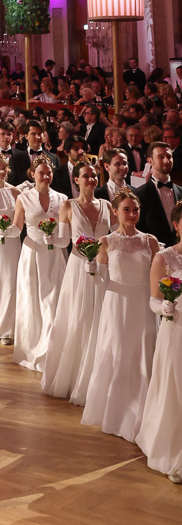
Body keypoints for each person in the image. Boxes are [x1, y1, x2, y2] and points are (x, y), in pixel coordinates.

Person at [81, 190, 159, 444]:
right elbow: (102, 282)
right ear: (115, 212)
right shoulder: (106, 241)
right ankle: (117, 414)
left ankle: (142, 415)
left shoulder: (150, 241)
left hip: (143, 303)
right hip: (117, 304)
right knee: (119, 354)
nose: (132, 214)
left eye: (135, 210)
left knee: (142, 354)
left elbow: (157, 276)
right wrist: (92, 271)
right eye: (126, 210)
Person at [41, 163, 112, 403]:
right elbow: (63, 241)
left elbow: (114, 238)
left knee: (100, 318)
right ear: (76, 179)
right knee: (78, 317)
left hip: (102, 268)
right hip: (78, 268)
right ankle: (75, 377)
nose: (91, 179)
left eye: (94, 175)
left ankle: (98, 378)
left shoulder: (107, 206)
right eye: (86, 176)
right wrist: (49, 237)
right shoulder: (68, 206)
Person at [137, 198, 182, 482]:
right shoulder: (164, 258)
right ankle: (174, 451)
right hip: (177, 329)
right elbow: (153, 300)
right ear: (176, 226)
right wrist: (164, 308)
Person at [12, 158, 69, 372]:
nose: (46, 177)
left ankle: (52, 349)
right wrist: (1, 230)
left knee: (52, 302)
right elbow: (17, 227)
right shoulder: (23, 198)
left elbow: (66, 231)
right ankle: (30, 347)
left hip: (54, 255)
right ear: (32, 174)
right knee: (32, 301)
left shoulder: (62, 198)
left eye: (49, 173)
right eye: (41, 173)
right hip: (32, 253)